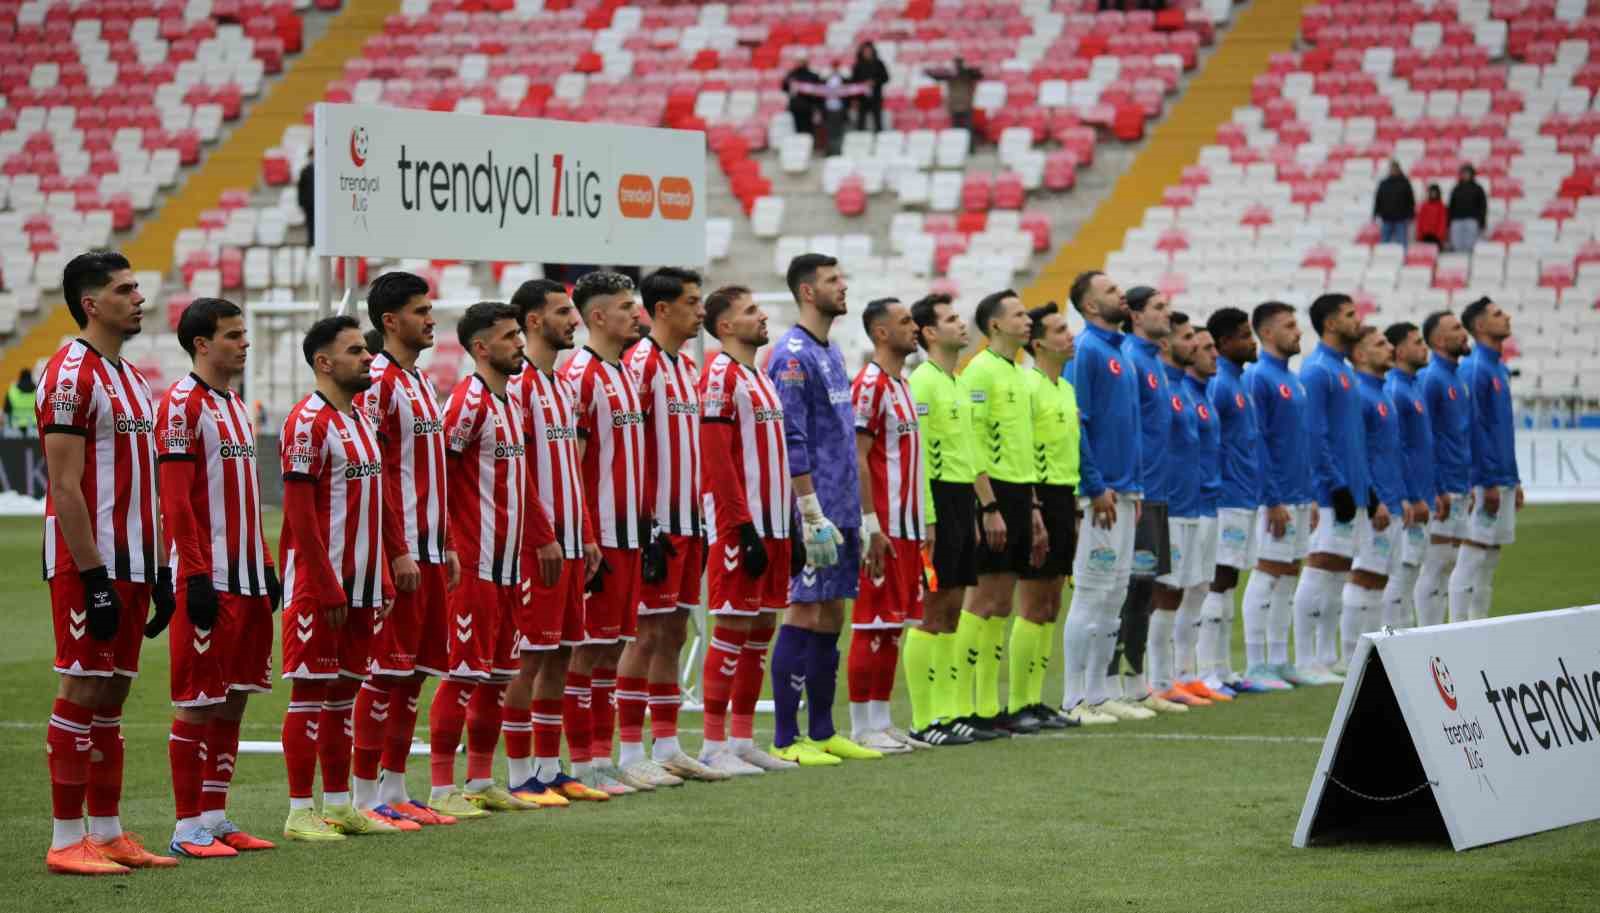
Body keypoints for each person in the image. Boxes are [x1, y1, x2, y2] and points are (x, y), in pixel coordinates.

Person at [39, 250, 176, 874]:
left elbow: (143, 481)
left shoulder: (130, 376)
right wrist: (92, 577)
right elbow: (65, 486)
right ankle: (68, 839)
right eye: (125, 290)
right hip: (88, 561)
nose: (139, 298)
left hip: (134, 561)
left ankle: (110, 832)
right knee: (82, 684)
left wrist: (161, 567)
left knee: (114, 694)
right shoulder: (70, 373)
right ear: (92, 304)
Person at [155, 297, 281, 857]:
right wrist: (196, 576)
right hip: (209, 577)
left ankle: (215, 815)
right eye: (233, 335)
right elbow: (177, 503)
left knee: (234, 699)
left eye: (244, 333)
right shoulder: (181, 405)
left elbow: (247, 499)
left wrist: (270, 564)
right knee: (199, 701)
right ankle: (186, 828)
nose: (244, 343)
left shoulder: (234, 404)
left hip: (249, 575)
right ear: (202, 344)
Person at [349, 272, 464, 828]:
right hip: (399, 553)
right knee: (385, 673)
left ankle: (395, 788)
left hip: (431, 550)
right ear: (390, 321)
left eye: (430, 308)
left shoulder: (420, 383)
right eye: (420, 311)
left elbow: (429, 474)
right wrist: (397, 551)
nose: (430, 318)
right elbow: (379, 476)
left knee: (415, 672)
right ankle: (365, 794)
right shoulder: (378, 383)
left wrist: (445, 542)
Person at [276, 315, 395, 842]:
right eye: (355, 351)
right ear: (324, 363)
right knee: (309, 693)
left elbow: (376, 503)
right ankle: (301, 810)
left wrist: (385, 574)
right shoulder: (308, 422)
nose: (368, 357)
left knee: (345, 694)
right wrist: (325, 583)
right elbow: (298, 513)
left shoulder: (360, 419)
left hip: (364, 584)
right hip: (320, 586)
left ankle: (341, 803)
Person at [427, 303, 544, 816]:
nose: (520, 343)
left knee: (497, 675)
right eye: (509, 336)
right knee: (462, 672)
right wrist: (451, 543)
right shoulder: (466, 404)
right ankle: (439, 786)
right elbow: (443, 477)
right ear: (481, 348)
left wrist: (543, 536)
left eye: (520, 334)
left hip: (508, 563)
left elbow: (522, 483)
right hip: (473, 563)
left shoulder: (510, 402)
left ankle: (479, 777)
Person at [767, 254, 882, 763]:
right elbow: (790, 438)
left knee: (833, 612)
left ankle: (822, 729)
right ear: (808, 292)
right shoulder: (791, 356)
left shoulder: (831, 350)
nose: (843, 286)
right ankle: (787, 739)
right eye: (834, 280)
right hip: (811, 509)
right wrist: (809, 509)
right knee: (804, 608)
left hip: (841, 506)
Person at [619, 268, 729, 783]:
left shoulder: (686, 367)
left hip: (691, 523)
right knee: (644, 635)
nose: (701, 311)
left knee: (675, 632)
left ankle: (665, 743)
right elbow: (629, 449)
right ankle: (625, 752)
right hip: (656, 527)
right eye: (691, 302)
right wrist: (647, 524)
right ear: (662, 309)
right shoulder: (638, 364)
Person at [503, 279, 610, 804]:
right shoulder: (517, 384)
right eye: (564, 311)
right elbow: (518, 472)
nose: (575, 320)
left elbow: (573, 469)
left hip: (570, 544)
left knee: (563, 653)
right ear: (533, 321)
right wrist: (542, 534)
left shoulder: (562, 385)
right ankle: (519, 772)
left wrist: (587, 534)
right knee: (531, 656)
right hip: (534, 546)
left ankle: (548, 766)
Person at [562, 271, 654, 792]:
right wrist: (587, 533)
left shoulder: (622, 373)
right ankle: (584, 761)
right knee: (588, 649)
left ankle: (602, 755)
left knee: (614, 645)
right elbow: (572, 464)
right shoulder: (583, 374)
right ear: (597, 317)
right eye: (625, 308)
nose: (635, 315)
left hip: (630, 534)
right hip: (599, 538)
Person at [957, 289, 1048, 735]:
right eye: (1018, 314)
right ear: (995, 325)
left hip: (1017, 493)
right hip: (989, 493)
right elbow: (970, 442)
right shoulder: (980, 372)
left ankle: (990, 707)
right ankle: (964, 706)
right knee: (982, 601)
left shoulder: (1018, 372)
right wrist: (988, 504)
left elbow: (1021, 446)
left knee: (1001, 604)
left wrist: (1030, 505)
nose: (1027, 320)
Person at [846, 298, 931, 752]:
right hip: (882, 525)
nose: (914, 328)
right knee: (870, 623)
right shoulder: (870, 385)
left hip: (908, 525)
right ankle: (861, 724)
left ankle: (881, 716)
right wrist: (869, 523)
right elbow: (857, 457)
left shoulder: (902, 384)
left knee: (894, 624)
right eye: (905, 322)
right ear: (881, 333)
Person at [1061, 272, 1144, 726]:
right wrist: (1094, 486)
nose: (1122, 294)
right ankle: (1074, 698)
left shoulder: (1121, 353)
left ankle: (1099, 691)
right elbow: (1079, 424)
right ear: (1091, 307)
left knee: (1114, 593)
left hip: (1127, 489)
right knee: (1092, 592)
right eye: (1111, 291)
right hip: (1102, 493)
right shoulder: (1087, 351)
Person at [904, 294, 986, 745]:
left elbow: (965, 457)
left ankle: (951, 711)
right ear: (930, 333)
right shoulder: (923, 382)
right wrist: (929, 519)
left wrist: (974, 510)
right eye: (951, 319)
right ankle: (924, 719)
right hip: (935, 502)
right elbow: (918, 459)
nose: (961, 324)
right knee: (931, 610)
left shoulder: (954, 381)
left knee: (953, 610)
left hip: (960, 502)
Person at [1293, 293, 1375, 681]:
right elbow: (1314, 434)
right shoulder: (1317, 370)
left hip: (1353, 488)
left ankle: (1327, 657)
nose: (1356, 319)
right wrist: (1335, 483)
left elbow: (1352, 437)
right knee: (1321, 568)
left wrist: (1364, 487)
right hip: (1331, 492)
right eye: (1348, 314)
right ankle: (1306, 657)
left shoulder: (1344, 370)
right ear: (1329, 323)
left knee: (1338, 573)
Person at [1105, 285, 1174, 719]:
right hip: (1137, 490)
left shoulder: (1153, 361)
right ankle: (1113, 683)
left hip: (1156, 491)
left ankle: (1134, 682)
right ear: (1135, 315)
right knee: (1128, 586)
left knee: (1144, 586)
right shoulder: (1129, 357)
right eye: (1159, 307)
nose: (1167, 314)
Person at [1153, 315, 1231, 705]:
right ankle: (1160, 678)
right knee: (1168, 590)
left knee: (1197, 588)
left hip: (1202, 504)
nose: (1210, 353)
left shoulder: (1194, 391)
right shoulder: (1165, 387)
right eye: (1197, 344)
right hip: (1174, 505)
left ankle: (1187, 674)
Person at [1010, 303, 1078, 729]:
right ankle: (1019, 703)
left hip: (1064, 496)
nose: (1069, 336)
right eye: (1059, 330)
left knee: (1052, 604)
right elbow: (1024, 450)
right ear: (1038, 343)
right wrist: (1033, 507)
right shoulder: (1029, 387)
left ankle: (1036, 700)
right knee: (1033, 602)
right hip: (1039, 495)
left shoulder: (1065, 389)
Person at [1240, 301, 1315, 689]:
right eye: (1289, 325)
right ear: (1267, 333)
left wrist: (1310, 494)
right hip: (1277, 496)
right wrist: (1272, 498)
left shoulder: (1293, 378)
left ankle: (1280, 659)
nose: (1297, 331)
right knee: (1268, 572)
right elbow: (1260, 443)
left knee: (1288, 574)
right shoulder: (1259, 379)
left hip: (1299, 493)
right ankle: (1256, 664)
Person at [1202, 308, 1277, 693]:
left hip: (1245, 497)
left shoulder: (1241, 381)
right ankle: (1207, 671)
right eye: (1245, 336)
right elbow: (1211, 444)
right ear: (1224, 343)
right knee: (1218, 580)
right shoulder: (1219, 384)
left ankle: (1224, 669)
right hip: (1226, 497)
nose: (1253, 342)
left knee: (1229, 581)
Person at [1454, 297, 1522, 623]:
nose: (1506, 316)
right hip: (1486, 481)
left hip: (1503, 478)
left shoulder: (1498, 366)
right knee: (1472, 555)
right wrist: (1485, 480)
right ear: (1480, 326)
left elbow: (1502, 429)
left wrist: (1514, 478)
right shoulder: (1475, 367)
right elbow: (1474, 430)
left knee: (1490, 557)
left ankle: (1480, 624)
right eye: (1498, 313)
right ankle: (1458, 627)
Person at [1182, 328, 1240, 697]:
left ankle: (1201, 673)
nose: (1213, 354)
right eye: (1204, 347)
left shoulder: (1204, 393)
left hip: (1210, 502)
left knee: (1204, 586)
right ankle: (1173, 676)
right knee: (1177, 590)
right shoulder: (1191, 392)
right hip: (1184, 504)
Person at [1343, 326, 1404, 662]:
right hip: (1373, 501)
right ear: (1361, 355)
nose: (1389, 348)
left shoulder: (1382, 393)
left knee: (1380, 576)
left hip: (1392, 499)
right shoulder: (1361, 395)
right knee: (1365, 573)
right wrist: (1373, 497)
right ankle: (1352, 653)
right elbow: (1357, 452)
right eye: (1381, 344)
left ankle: (1373, 651)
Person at [1413, 310, 1472, 628]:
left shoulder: (1457, 377)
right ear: (1438, 339)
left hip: (1459, 483)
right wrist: (1435, 487)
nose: (1465, 333)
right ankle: (1428, 633)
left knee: (1448, 562)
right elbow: (1425, 438)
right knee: (1435, 564)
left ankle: (1441, 631)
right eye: (1456, 328)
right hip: (1442, 486)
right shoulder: (1431, 378)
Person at [1382, 322, 1435, 629]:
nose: (1423, 347)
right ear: (1400, 350)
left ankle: (1408, 633)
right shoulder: (1395, 389)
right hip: (1409, 498)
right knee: (1401, 571)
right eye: (1417, 342)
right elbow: (1397, 450)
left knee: (1412, 568)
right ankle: (1394, 635)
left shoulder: (1413, 385)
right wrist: (1410, 496)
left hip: (1422, 494)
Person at [927, 57, 982, 133]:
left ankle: (968, 143)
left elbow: (979, 75)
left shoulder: (967, 74)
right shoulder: (950, 74)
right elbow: (935, 75)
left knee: (966, 127)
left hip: (964, 104)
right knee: (956, 128)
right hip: (956, 104)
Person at [1373, 161, 1417, 248]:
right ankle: (1383, 258)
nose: (1393, 170)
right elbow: (1378, 199)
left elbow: (1411, 200)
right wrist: (1376, 213)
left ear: (1399, 169)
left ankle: (1403, 259)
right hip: (1386, 218)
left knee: (1402, 243)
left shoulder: (1405, 183)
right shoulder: (1384, 183)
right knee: (1384, 243)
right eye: (1392, 169)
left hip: (1401, 218)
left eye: (1395, 168)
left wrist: (1411, 215)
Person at [851, 42, 890, 132]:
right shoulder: (857, 65)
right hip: (862, 98)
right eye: (865, 50)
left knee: (878, 121)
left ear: (873, 51)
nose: (867, 52)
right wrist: (855, 98)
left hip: (876, 97)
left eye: (869, 50)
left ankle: (879, 139)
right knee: (861, 122)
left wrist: (874, 82)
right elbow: (853, 82)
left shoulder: (879, 64)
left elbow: (886, 78)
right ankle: (861, 140)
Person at [1447, 164, 1487, 253]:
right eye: (1463, 173)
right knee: (1456, 245)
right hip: (1456, 220)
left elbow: (1483, 207)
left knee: (1470, 246)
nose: (1465, 175)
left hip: (1471, 220)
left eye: (1467, 173)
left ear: (1472, 174)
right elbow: (1451, 206)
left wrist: (1482, 222)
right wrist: (1448, 222)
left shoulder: (1478, 189)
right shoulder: (1456, 189)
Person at [1416, 184, 1448, 249]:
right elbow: (1420, 221)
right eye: (1431, 192)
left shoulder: (1441, 206)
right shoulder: (1424, 206)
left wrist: (1439, 236)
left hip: (1436, 237)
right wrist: (1420, 235)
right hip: (1425, 236)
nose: (1433, 194)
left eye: (1435, 192)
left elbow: (1443, 222)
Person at [5, 367, 37, 434]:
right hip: (34, 427)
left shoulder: (12, 391)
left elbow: (7, 410)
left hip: (15, 428)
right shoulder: (37, 390)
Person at [297, 148, 314, 247]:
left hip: (320, 205)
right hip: (309, 204)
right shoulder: (305, 171)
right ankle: (311, 243)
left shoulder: (323, 171)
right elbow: (301, 188)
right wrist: (301, 203)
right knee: (310, 224)